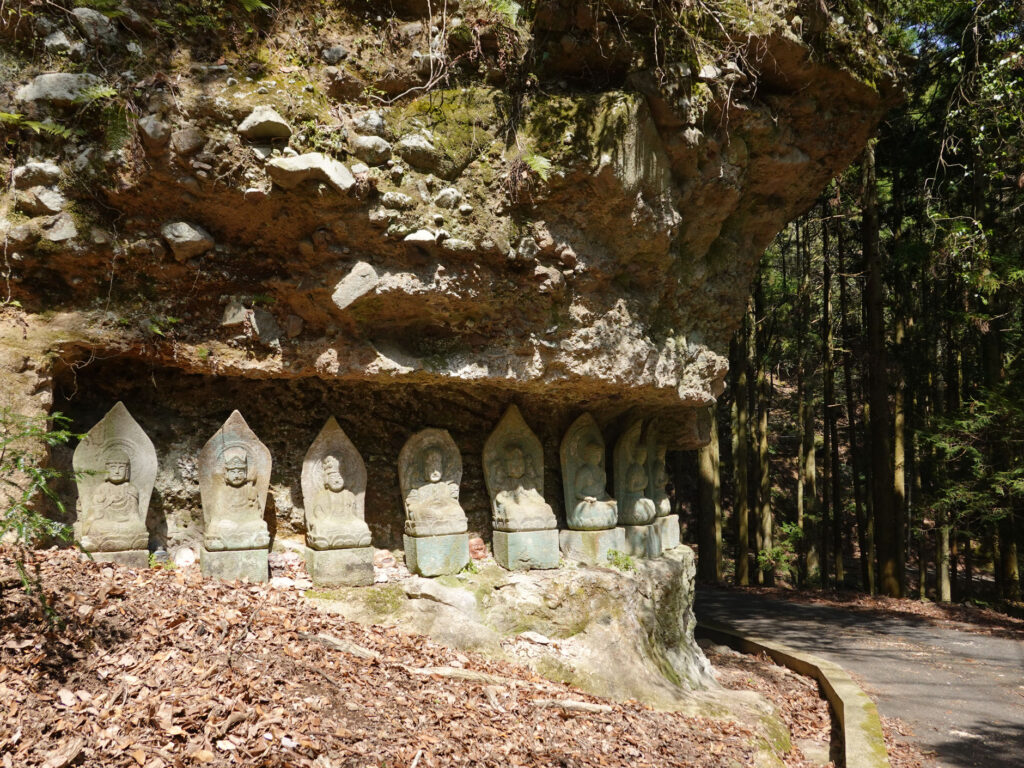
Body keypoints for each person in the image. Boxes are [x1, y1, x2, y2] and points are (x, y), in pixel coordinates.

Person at [81, 449, 147, 551]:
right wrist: (104, 504)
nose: (117, 471)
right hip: (106, 525)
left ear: (127, 471)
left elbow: (134, 516)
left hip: (126, 526)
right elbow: (95, 515)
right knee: (95, 527)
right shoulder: (102, 489)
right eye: (113, 467)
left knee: (140, 527)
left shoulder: (131, 489)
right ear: (107, 470)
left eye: (121, 468)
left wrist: (135, 524)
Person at [205, 449, 270, 550]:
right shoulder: (222, 491)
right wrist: (222, 522)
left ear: (245, 473)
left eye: (240, 472)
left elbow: (256, 514)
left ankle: (229, 543)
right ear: (226, 474)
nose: (236, 476)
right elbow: (217, 515)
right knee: (215, 527)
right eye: (232, 472)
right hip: (227, 524)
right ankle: (246, 542)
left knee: (261, 525)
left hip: (246, 524)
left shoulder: (250, 489)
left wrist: (252, 497)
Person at [307, 455, 371, 549]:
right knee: (321, 529)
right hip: (329, 524)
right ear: (326, 480)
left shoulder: (349, 495)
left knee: (363, 527)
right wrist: (325, 521)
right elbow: (318, 513)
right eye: (333, 478)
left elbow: (353, 514)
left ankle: (357, 538)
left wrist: (350, 521)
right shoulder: (322, 495)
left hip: (348, 522)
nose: (337, 480)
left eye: (340, 478)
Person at [491, 444, 555, 531]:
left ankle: (539, 520)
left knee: (547, 508)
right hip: (515, 507)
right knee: (511, 511)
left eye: (521, 465)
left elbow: (537, 496)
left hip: (529, 504)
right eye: (514, 466)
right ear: (506, 468)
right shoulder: (507, 483)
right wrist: (510, 502)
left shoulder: (527, 481)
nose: (518, 469)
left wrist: (530, 497)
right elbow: (499, 497)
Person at [404, 447, 467, 536]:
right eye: (431, 467)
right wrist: (424, 505)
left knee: (457, 511)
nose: (434, 471)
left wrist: (445, 502)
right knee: (426, 514)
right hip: (428, 513)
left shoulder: (445, 486)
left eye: (437, 467)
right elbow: (412, 505)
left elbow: (453, 502)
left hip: (444, 511)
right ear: (424, 470)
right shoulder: (420, 488)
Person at [569, 441, 617, 530]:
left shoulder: (602, 473)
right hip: (587, 502)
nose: (598, 457)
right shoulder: (583, 472)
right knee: (589, 509)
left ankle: (604, 520)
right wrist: (586, 498)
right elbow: (576, 492)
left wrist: (609, 499)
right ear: (587, 456)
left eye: (599, 455)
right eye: (594, 455)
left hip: (600, 500)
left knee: (612, 506)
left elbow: (603, 491)